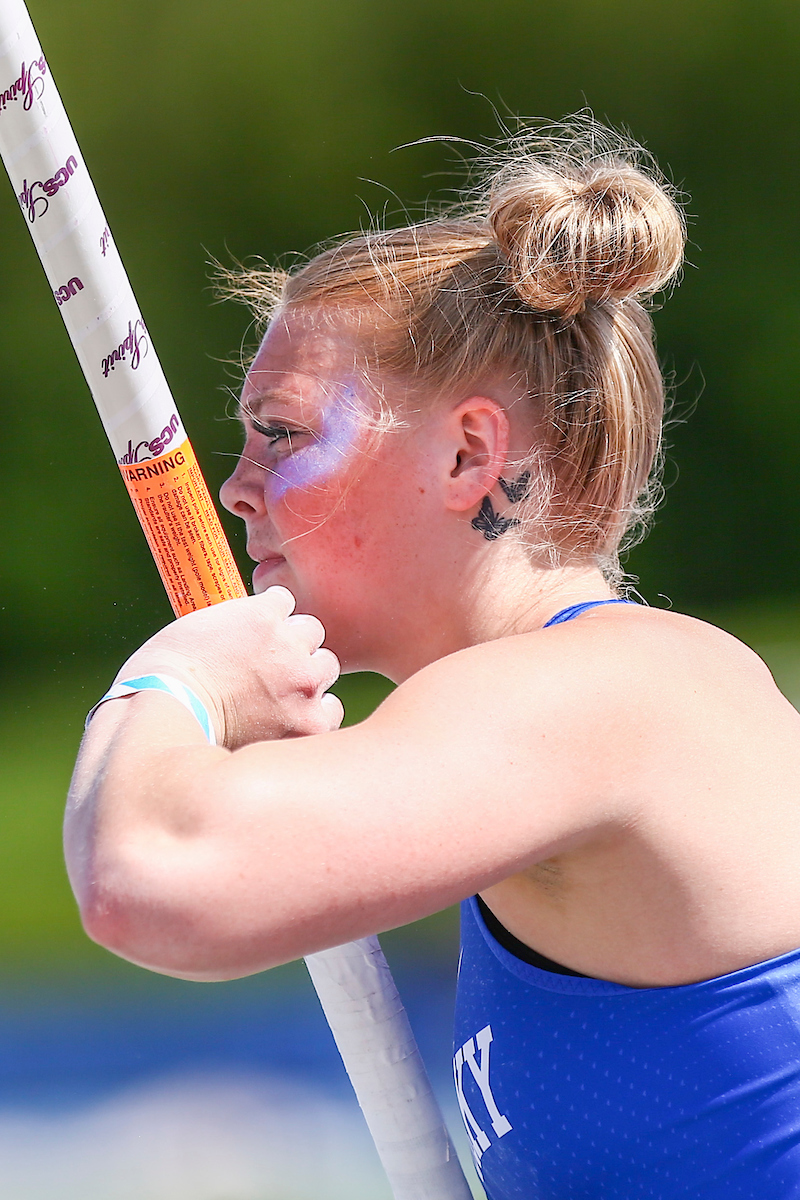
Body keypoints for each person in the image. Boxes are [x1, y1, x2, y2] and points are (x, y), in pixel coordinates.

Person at [65, 120, 800, 1197]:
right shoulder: (554, 719)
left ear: (467, 453)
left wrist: (178, 681)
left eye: (279, 429)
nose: (237, 484)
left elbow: (149, 879)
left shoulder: (605, 692)